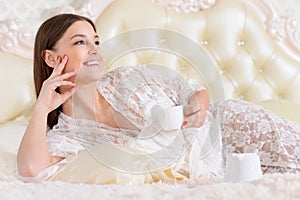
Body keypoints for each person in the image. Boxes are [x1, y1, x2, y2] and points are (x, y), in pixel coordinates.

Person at [17, 13, 300, 184]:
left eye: (96, 41)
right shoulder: (67, 135)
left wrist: (196, 107)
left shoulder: (128, 78)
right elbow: (31, 171)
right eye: (81, 42)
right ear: (52, 57)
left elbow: (194, 90)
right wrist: (42, 107)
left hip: (232, 127)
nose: (94, 49)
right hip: (219, 174)